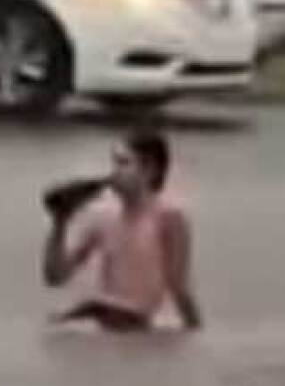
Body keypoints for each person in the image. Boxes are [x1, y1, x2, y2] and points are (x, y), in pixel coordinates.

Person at [41, 131, 202, 332]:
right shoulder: (103, 215)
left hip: (133, 320)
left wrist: (196, 333)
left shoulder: (169, 217)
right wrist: (59, 223)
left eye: (123, 163)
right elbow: (56, 276)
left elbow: (178, 286)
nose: (114, 172)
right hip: (96, 313)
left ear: (149, 170)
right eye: (114, 163)